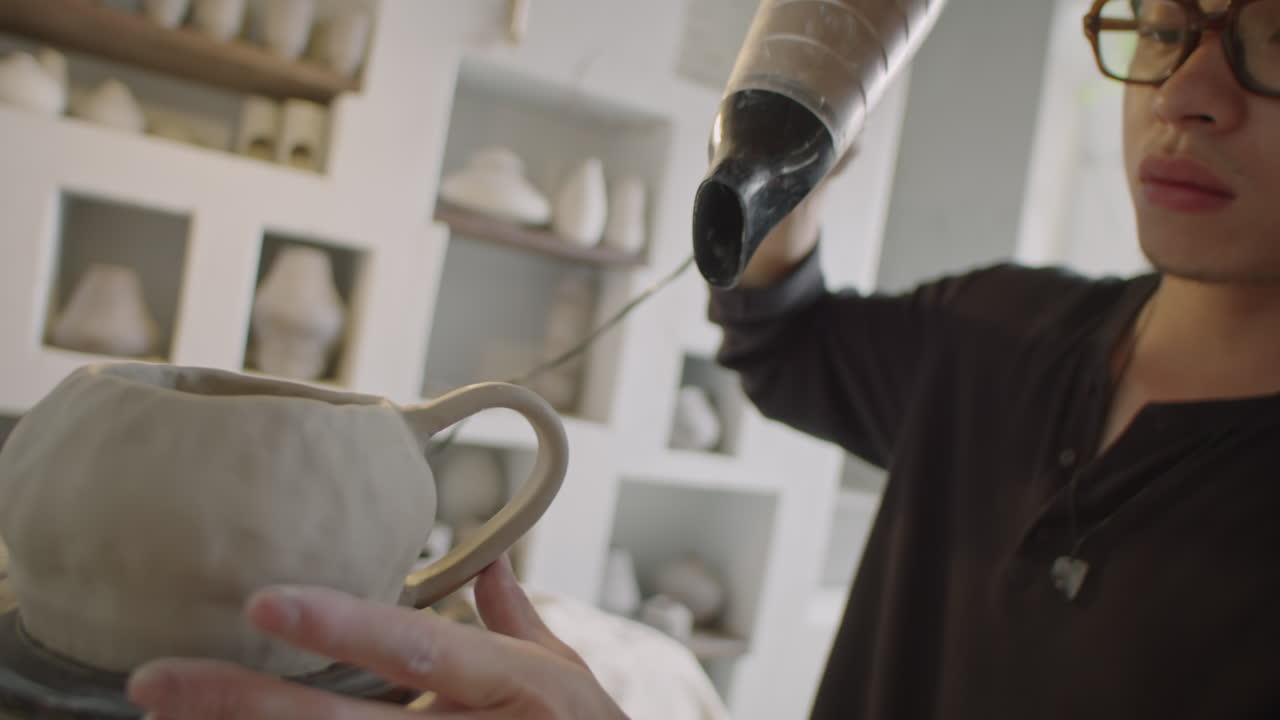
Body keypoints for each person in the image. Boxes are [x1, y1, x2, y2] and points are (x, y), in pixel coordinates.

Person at [124, 1, 1280, 717]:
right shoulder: (1000, 334)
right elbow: (787, 341)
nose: (1183, 95)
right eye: (1168, 24)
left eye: (1273, 41)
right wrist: (794, 142)